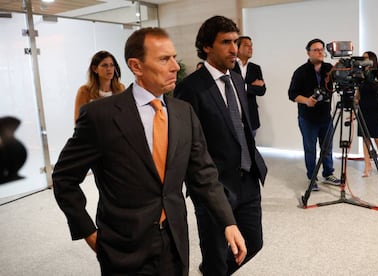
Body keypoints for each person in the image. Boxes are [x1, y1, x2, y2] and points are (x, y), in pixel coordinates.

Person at [53, 27, 247, 276]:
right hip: (123, 246)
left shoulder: (183, 112)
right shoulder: (100, 115)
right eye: (164, 59)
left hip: (175, 241)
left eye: (174, 57)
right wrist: (89, 232)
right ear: (136, 66)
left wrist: (227, 221)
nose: (176, 66)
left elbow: (204, 175)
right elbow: (64, 178)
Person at [174, 16, 267, 276]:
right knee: (215, 256)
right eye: (226, 42)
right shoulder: (190, 89)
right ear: (206, 47)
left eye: (235, 41)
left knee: (253, 243)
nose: (234, 49)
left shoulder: (237, 79)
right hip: (215, 187)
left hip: (248, 180)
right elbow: (188, 146)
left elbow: (244, 129)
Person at [288, 38, 340, 191]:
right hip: (307, 118)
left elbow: (341, 81)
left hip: (325, 117)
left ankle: (328, 173)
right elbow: (292, 94)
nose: (320, 52)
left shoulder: (329, 69)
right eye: (316, 49)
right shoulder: (301, 72)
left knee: (327, 148)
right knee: (310, 149)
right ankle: (312, 177)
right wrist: (306, 101)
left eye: (321, 49)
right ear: (308, 52)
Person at [355, 51, 378, 180]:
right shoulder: (360, 75)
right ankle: (367, 166)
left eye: (366, 58)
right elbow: (358, 95)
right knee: (365, 139)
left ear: (372, 60)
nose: (363, 60)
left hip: (375, 109)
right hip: (363, 110)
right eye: (362, 58)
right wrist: (354, 106)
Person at [74, 50, 125, 121]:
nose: (109, 69)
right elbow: (78, 122)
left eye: (112, 65)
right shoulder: (84, 91)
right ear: (95, 69)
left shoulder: (120, 88)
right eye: (105, 65)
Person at [233, 36, 266, 136]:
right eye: (246, 45)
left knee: (251, 147)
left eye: (251, 46)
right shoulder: (230, 65)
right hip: (234, 114)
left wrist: (242, 87)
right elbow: (231, 87)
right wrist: (249, 86)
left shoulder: (255, 68)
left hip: (251, 114)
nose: (250, 48)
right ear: (237, 48)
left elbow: (262, 90)